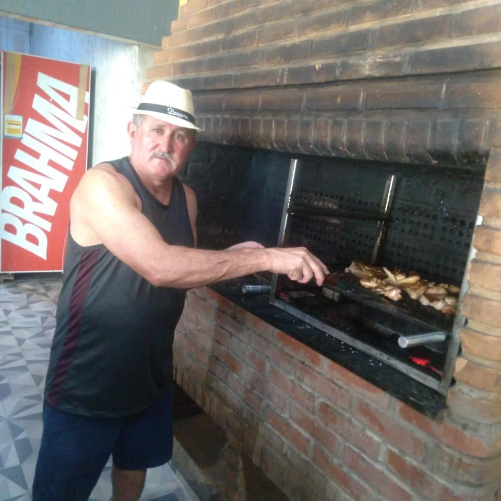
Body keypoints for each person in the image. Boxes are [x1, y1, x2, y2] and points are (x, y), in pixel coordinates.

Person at [32, 80, 328, 501]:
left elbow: (181, 269)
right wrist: (267, 259)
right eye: (156, 130)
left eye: (180, 136)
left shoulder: (186, 197)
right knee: (60, 493)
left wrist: (233, 256)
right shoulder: (103, 185)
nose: (166, 145)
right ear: (133, 131)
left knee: (132, 472)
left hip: (151, 374)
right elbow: (159, 266)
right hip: (87, 378)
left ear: (191, 146)